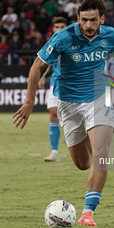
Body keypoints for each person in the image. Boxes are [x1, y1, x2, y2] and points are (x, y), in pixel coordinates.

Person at [13, 0, 114, 226]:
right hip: (68, 104)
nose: (89, 25)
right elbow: (37, 66)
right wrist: (29, 102)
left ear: (102, 19)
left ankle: (88, 212)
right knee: (82, 164)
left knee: (101, 153)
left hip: (99, 98)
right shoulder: (63, 37)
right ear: (78, 18)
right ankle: (91, 141)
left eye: (94, 20)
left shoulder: (109, 35)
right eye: (85, 20)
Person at [38, 17, 67, 162]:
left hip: (70, 85)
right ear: (53, 29)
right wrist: (43, 76)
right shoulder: (52, 44)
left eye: (63, 26)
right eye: (57, 27)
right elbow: (49, 62)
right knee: (53, 114)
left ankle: (76, 144)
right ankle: (54, 152)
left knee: (70, 117)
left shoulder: (71, 42)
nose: (60, 29)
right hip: (55, 84)